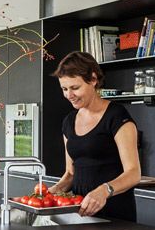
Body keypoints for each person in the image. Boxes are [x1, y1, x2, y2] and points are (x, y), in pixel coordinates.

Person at [48, 51, 141, 221]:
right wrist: (50, 192)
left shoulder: (117, 116)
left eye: (75, 88)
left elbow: (133, 173)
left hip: (115, 214)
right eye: (64, 89)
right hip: (80, 214)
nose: (69, 95)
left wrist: (104, 191)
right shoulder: (69, 121)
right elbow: (70, 173)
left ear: (93, 79)